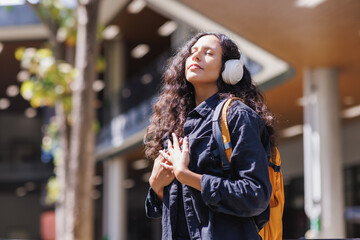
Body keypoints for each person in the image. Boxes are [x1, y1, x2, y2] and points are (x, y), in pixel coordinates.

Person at [144, 32, 276, 240]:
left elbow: (255, 195)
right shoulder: (176, 126)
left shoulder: (237, 116)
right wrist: (156, 185)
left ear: (229, 69)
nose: (196, 57)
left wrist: (186, 175)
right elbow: (172, 210)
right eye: (193, 52)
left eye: (208, 53)